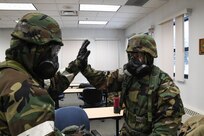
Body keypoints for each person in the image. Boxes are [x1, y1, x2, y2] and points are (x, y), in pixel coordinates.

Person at [74, 35, 185, 135]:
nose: (132, 60)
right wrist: (84, 67)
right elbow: (104, 81)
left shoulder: (164, 84)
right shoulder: (127, 75)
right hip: (127, 131)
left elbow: (166, 128)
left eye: (137, 56)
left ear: (149, 56)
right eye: (130, 55)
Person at [0, 13, 90, 136]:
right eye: (53, 50)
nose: (54, 57)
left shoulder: (7, 73)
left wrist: (77, 65)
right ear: (32, 49)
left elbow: (51, 86)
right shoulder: (26, 89)